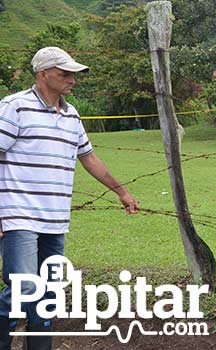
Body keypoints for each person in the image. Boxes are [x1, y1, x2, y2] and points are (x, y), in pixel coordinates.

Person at [0, 47, 139, 350]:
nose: (72, 79)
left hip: (55, 220)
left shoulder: (71, 114)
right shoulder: (14, 107)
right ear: (43, 74)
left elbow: (89, 158)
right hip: (18, 216)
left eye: (74, 74)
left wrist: (122, 191)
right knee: (23, 287)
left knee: (48, 293)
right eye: (65, 74)